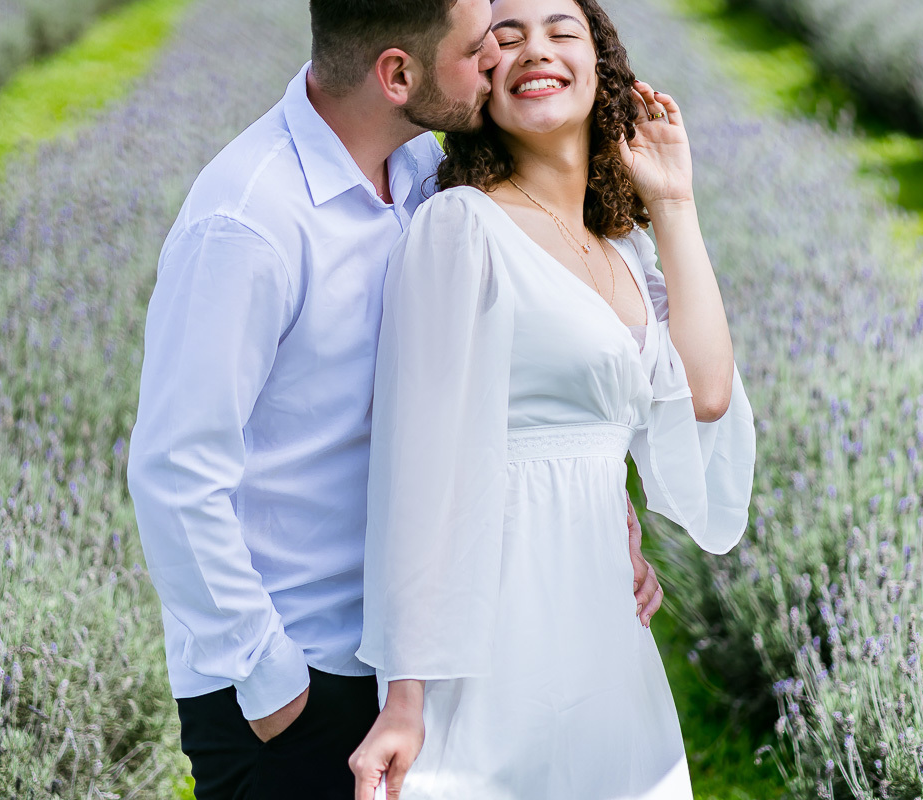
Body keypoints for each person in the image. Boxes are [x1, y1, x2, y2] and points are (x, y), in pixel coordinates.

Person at [125, 1, 665, 797]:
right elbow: (174, 474)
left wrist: (595, 515)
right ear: (398, 75)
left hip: (418, 660)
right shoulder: (248, 223)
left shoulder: (422, 173)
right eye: (477, 48)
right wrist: (275, 687)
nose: (496, 60)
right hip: (299, 677)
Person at [349, 0, 757, 797]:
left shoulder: (626, 251)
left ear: (600, 67)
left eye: (562, 31)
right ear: (481, 79)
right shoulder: (460, 228)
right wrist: (404, 697)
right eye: (507, 35)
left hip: (605, 615)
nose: (536, 48)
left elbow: (705, 395)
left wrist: (674, 202)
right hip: (492, 617)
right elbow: (415, 465)